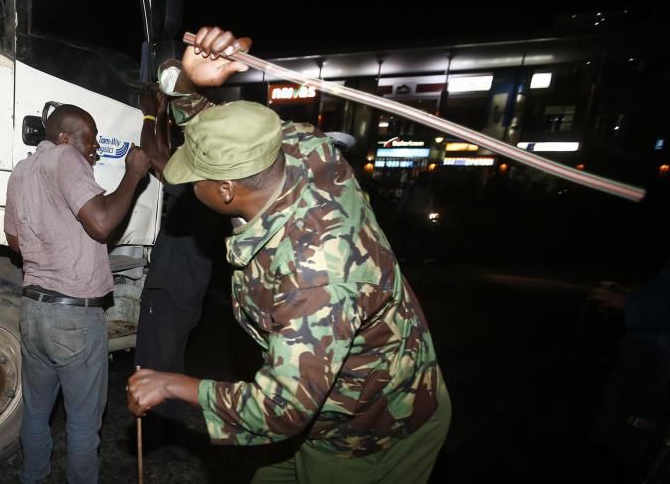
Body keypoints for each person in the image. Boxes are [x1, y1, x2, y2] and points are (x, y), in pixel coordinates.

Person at [127, 27, 451, 483]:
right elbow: (216, 132)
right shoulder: (301, 147)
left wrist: (170, 384)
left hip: (370, 432)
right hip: (317, 412)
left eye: (193, 178)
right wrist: (187, 78)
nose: (187, 183)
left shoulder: (316, 273)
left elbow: (278, 409)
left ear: (225, 191)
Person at [4, 104, 150, 484]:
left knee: (36, 413)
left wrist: (54, 243)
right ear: (64, 137)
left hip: (33, 310)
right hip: (73, 317)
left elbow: (15, 241)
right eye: (91, 138)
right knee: (84, 425)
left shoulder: (21, 171)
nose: (97, 148)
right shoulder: (66, 158)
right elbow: (101, 223)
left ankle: (32, 477)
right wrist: (134, 174)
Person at [134, 89, 224, 459]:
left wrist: (148, 117)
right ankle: (171, 443)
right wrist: (161, 116)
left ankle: (153, 444)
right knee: (172, 365)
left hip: (168, 291)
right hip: (189, 295)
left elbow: (151, 157)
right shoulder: (218, 186)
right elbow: (165, 157)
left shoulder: (196, 188)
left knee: (152, 369)